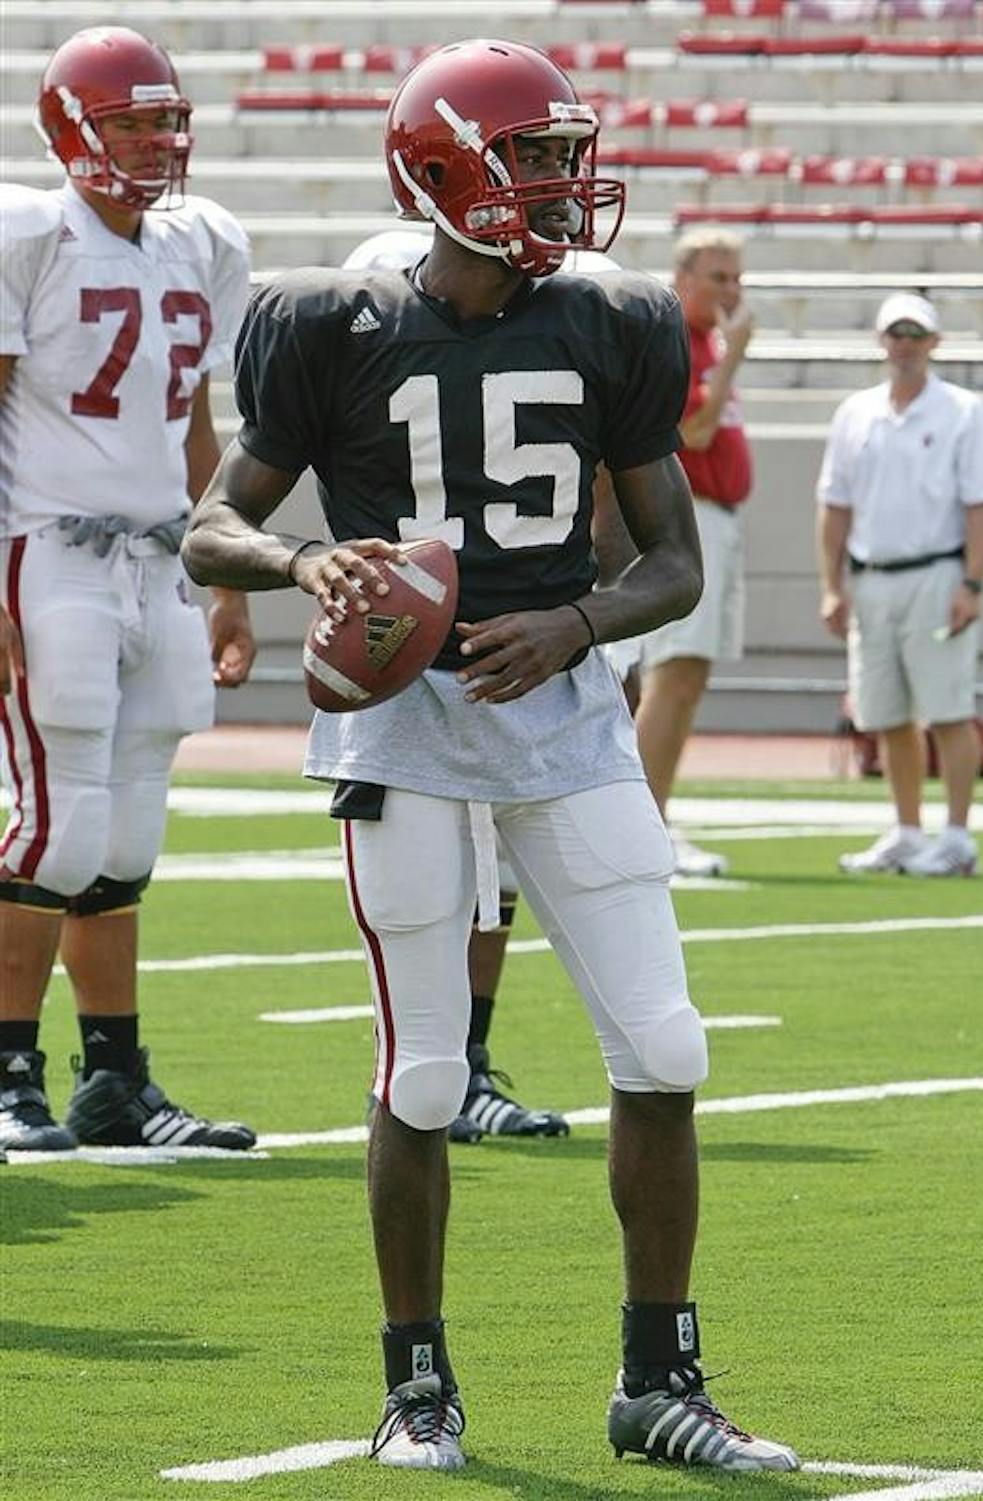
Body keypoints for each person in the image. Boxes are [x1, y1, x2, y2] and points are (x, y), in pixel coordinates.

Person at [183, 38, 799, 1473]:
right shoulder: (325, 322)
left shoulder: (616, 322)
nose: (564, 187)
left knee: (664, 1045)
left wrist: (573, 626)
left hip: (565, 719)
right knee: (423, 1074)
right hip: (401, 724)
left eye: (567, 158)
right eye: (535, 160)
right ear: (446, 165)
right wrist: (303, 562)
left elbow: (673, 563)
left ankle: (659, 1380)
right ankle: (416, 1388)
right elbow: (212, 521)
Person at [0, 26, 258, 1153]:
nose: (159, 142)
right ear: (75, 132)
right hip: (50, 546)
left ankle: (116, 1078)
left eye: (167, 120)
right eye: (135, 122)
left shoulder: (200, 241)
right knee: (58, 828)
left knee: (129, 830)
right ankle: (9, 1076)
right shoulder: (29, 232)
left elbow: (193, 416)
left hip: (160, 557)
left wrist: (226, 562)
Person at [344, 225, 570, 1144]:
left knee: (501, 872)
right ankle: (440, 1064)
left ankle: (470, 1059)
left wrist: (580, 612)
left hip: (533, 619)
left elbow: (611, 481)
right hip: (414, 656)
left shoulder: (570, 303)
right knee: (427, 890)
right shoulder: (366, 296)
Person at [817, 291, 983, 876]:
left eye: (915, 334)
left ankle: (957, 835)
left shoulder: (963, 410)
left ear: (934, 343)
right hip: (872, 579)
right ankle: (908, 830)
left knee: (948, 708)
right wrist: (832, 584)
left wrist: (972, 581)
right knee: (885, 713)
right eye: (896, 333)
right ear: (881, 341)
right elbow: (834, 504)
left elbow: (980, 504)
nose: (905, 345)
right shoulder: (856, 413)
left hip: (937, 572)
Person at [611, 228, 754, 878]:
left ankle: (653, 819)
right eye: (719, 277)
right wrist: (731, 362)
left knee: (686, 678)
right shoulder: (680, 343)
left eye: (736, 277)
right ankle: (646, 826)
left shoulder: (701, 343)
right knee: (673, 676)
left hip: (715, 512)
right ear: (684, 279)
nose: (732, 290)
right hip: (687, 513)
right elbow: (690, 432)